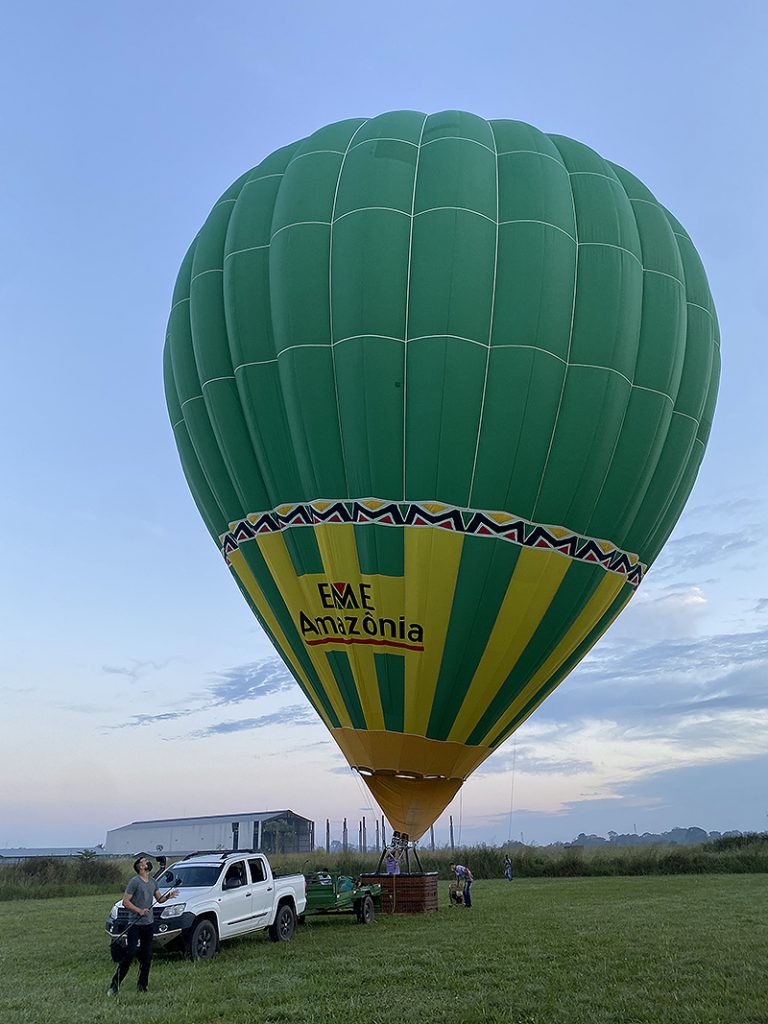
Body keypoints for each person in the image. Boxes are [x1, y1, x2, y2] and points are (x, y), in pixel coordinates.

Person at [108, 854, 178, 996]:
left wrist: (168, 896)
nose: (148, 863)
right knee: (130, 953)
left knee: (147, 956)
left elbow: (159, 899)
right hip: (135, 924)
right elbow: (125, 902)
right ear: (140, 867)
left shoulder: (153, 882)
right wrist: (138, 910)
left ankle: (142, 986)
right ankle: (115, 985)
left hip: (148, 924)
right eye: (145, 861)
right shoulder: (134, 882)